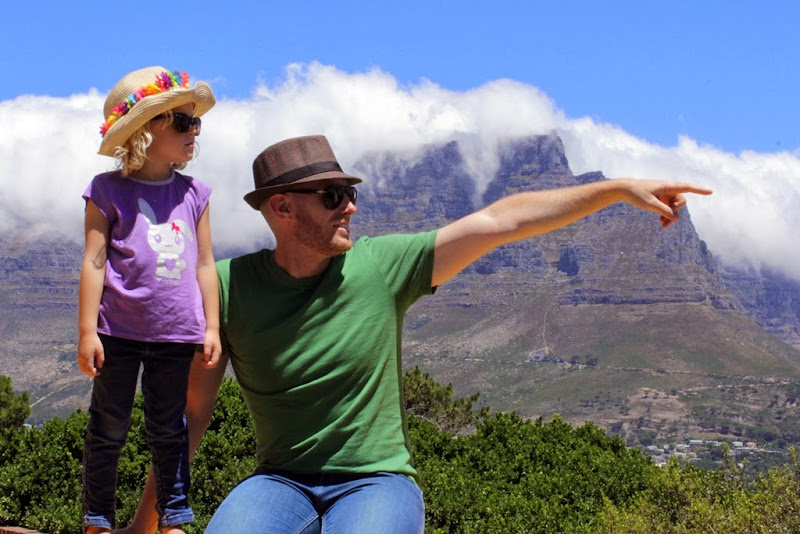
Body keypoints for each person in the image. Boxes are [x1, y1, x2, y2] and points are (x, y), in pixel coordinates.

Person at [124, 134, 712, 533]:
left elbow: (500, 220)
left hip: (375, 483)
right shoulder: (226, 289)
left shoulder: (384, 266)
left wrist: (616, 190)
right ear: (281, 208)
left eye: (350, 194)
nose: (350, 208)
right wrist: (144, 524)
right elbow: (191, 414)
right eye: (332, 197)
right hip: (278, 481)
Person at [77, 66, 222, 534]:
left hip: (176, 334)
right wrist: (87, 332)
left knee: (169, 429)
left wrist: (211, 326)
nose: (193, 130)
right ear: (145, 128)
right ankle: (98, 519)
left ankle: (173, 519)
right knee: (108, 428)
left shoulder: (195, 194)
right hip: (116, 332)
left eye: (195, 122)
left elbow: (205, 264)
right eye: (182, 121)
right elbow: (94, 261)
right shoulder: (106, 190)